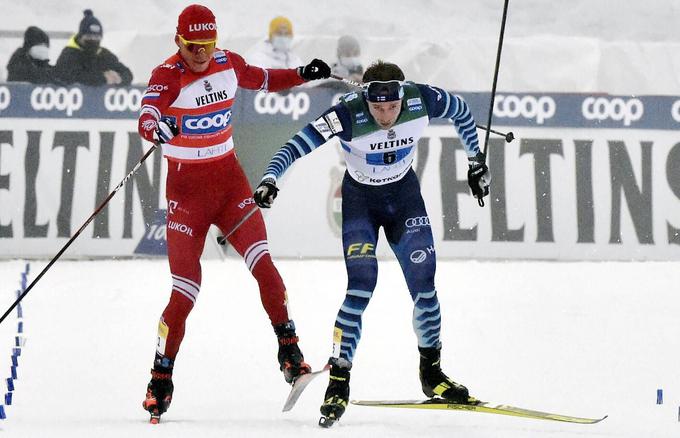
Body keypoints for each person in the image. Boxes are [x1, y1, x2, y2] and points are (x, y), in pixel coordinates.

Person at [254, 60, 490, 426]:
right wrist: (271, 178)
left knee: (425, 284)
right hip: (361, 204)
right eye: (378, 108)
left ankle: (432, 373)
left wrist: (475, 162)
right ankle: (339, 379)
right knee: (362, 285)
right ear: (366, 99)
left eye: (392, 107)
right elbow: (295, 146)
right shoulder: (347, 113)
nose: (386, 115)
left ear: (401, 96)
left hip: (405, 199)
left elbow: (461, 111)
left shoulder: (419, 99)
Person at [135, 4, 331, 423]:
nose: (201, 53)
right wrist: (158, 128)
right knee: (185, 291)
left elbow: (264, 80)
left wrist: (303, 75)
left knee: (263, 264)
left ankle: (291, 354)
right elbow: (148, 116)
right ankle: (160, 377)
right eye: (193, 46)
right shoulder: (167, 75)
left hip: (230, 185)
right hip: (187, 195)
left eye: (207, 44)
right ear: (178, 41)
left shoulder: (228, 62)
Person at [55, 9, 133, 86]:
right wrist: (103, 78)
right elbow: (69, 76)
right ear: (80, 37)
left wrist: (119, 78)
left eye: (97, 37)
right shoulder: (69, 53)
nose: (93, 40)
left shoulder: (103, 54)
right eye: (89, 36)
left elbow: (127, 73)